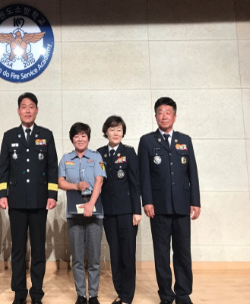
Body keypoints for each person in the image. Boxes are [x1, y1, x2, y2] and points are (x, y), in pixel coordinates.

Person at [138, 97, 201, 304]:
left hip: (182, 205)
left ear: (174, 115)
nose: (164, 116)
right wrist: (147, 201)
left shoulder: (185, 140)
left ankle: (183, 293)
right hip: (159, 206)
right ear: (155, 116)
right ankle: (166, 294)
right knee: (162, 254)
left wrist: (195, 201)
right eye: (160, 112)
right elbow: (144, 176)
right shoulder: (147, 141)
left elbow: (192, 173)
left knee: (183, 252)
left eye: (168, 112)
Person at [0, 92, 58, 304]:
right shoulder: (9, 135)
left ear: (37, 110)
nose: (27, 110)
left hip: (40, 200)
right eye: (24, 106)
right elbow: (3, 168)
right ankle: (19, 293)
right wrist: (2, 194)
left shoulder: (46, 135)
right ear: (18, 111)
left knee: (39, 249)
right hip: (15, 201)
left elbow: (52, 167)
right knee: (18, 249)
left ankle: (37, 293)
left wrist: (52, 195)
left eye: (31, 106)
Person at [58, 122, 106, 304]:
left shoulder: (96, 156)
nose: (80, 139)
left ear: (88, 138)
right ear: (72, 139)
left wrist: (90, 204)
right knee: (77, 257)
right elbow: (60, 182)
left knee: (94, 257)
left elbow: (99, 181)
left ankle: (93, 295)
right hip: (73, 213)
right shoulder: (66, 158)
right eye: (76, 136)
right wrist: (75, 186)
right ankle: (81, 295)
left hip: (95, 213)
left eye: (83, 135)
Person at [97, 116, 141, 304]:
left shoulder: (129, 153)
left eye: (119, 130)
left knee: (127, 254)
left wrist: (137, 211)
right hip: (108, 212)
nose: (116, 133)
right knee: (114, 254)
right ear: (106, 131)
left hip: (127, 212)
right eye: (112, 129)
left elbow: (135, 183)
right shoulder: (99, 153)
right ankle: (120, 291)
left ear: (123, 133)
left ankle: (127, 296)